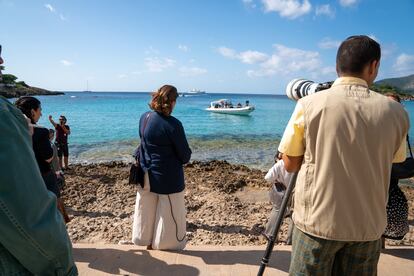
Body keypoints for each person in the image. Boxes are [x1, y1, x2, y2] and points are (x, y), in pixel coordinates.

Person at [278, 35, 409, 275]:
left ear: (337, 67)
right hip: (367, 227)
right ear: (374, 66)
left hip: (317, 223)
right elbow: (395, 159)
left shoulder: (309, 105)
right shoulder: (396, 112)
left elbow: (289, 163)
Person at [0, 96, 77, 275]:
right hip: (42, 178)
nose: (41, 112)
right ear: (33, 111)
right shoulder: (34, 130)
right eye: (39, 109)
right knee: (53, 209)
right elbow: (49, 157)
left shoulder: (18, 122)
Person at [132, 84, 192, 250]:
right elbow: (185, 156)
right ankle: (165, 246)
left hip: (145, 172)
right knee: (169, 214)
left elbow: (144, 141)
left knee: (146, 211)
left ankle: (146, 242)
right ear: (171, 102)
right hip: (167, 177)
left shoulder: (144, 117)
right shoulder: (173, 124)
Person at [382, 93, 409, 242]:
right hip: (384, 166)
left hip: (393, 167)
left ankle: (382, 236)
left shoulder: (400, 121)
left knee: (389, 196)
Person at [263, 152, 294, 242]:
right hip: (295, 191)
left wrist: (277, 178)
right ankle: (291, 239)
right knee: (294, 214)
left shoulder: (280, 163)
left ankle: (270, 234)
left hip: (281, 191)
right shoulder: (299, 163)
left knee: (277, 211)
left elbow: (268, 178)